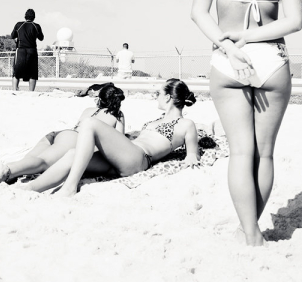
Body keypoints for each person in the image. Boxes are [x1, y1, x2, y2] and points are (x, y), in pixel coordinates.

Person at [191, 0, 302, 247]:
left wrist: (229, 41)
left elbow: (197, 13)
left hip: (227, 60)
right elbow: (295, 21)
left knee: (240, 152)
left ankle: (250, 233)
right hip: (271, 58)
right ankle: (251, 229)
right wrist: (251, 39)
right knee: (264, 153)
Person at [31, 79, 199, 196]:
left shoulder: (186, 123)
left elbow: (192, 153)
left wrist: (191, 157)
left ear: (168, 97)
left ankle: (69, 187)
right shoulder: (156, 120)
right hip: (125, 156)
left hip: (139, 158)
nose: (156, 96)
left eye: (158, 93)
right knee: (72, 154)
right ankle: (30, 188)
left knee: (90, 123)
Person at [0, 83, 126, 184]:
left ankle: (13, 171)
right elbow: (119, 143)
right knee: (43, 162)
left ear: (100, 100)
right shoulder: (117, 115)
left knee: (32, 159)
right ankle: (8, 170)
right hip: (72, 139)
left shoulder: (88, 109)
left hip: (59, 134)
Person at [11, 8, 44, 91]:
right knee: (33, 73)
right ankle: (31, 92)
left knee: (16, 72)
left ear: (25, 16)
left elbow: (12, 36)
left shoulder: (19, 25)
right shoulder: (36, 26)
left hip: (20, 50)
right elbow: (41, 38)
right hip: (32, 50)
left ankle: (15, 90)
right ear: (34, 17)